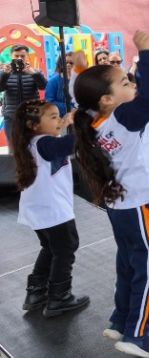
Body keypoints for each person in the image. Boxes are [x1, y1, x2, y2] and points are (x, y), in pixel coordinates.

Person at [73, 31, 149, 358]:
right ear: (107, 100)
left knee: (129, 263)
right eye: (126, 84)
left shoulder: (93, 119)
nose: (133, 85)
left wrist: (81, 72)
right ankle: (137, 334)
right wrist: (146, 52)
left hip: (121, 206)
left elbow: (83, 98)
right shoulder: (124, 118)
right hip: (141, 205)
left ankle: (121, 318)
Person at [12, 100, 89, 316]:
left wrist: (66, 121)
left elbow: (56, 135)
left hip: (39, 209)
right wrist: (89, 125)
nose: (59, 120)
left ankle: (36, 292)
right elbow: (70, 144)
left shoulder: (35, 141)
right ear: (33, 125)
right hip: (52, 209)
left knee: (50, 248)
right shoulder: (44, 143)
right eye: (53, 117)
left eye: (59, 116)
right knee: (66, 248)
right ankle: (59, 297)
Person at [1, 44, 48, 150]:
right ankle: (15, 166)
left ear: (27, 56)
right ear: (11, 56)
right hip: (11, 116)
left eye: (22, 56)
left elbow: (44, 87)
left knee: (33, 146)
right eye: (16, 56)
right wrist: (5, 74)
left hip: (31, 115)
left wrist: (34, 74)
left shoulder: (35, 71)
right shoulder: (4, 72)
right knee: (13, 148)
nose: (19, 59)